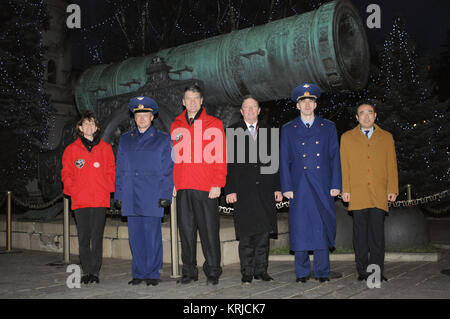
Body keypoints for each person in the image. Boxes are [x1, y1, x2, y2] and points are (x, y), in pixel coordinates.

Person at [280, 83, 341, 283]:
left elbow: (334, 158)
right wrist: (286, 187)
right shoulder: (288, 129)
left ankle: (322, 271)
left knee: (321, 227)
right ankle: (302, 272)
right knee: (300, 227)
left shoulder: (328, 127)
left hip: (322, 185)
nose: (307, 104)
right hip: (299, 186)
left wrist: (336, 184)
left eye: (310, 101)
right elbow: (284, 160)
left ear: (315, 105)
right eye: (303, 101)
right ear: (297, 106)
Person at [170, 84, 227, 285]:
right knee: (186, 231)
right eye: (188, 98)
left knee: (209, 232)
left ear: (201, 101)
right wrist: (174, 183)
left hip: (206, 188)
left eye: (196, 98)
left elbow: (220, 156)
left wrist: (218, 183)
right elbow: (174, 157)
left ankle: (213, 271)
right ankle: (189, 271)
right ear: (183, 102)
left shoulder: (214, 123)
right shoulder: (176, 125)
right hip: (183, 187)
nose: (192, 102)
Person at [114, 96, 173, 286]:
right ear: (134, 116)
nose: (141, 118)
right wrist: (119, 194)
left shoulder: (163, 139)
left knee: (152, 236)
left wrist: (165, 194)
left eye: (145, 114)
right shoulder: (125, 140)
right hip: (131, 194)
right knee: (136, 237)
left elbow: (168, 169)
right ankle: (138, 272)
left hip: (152, 194)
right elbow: (121, 169)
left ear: (152, 116)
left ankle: (153, 273)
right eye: (138, 114)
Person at [225, 95, 283, 284]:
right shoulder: (233, 132)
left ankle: (261, 270)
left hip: (265, 191)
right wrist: (230, 190)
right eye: (246, 108)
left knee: (263, 235)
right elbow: (230, 164)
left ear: (259, 111)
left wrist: (277, 188)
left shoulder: (269, 131)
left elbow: (275, 163)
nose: (250, 111)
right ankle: (247, 271)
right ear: (241, 112)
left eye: (253, 107)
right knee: (246, 235)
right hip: (243, 192)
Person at [340, 102, 398, 282]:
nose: (366, 116)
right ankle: (362, 271)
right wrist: (345, 190)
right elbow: (344, 167)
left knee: (377, 236)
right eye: (362, 113)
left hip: (379, 193)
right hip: (357, 194)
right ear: (357, 118)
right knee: (360, 237)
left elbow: (391, 165)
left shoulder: (386, 137)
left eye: (369, 113)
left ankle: (376, 271)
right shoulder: (347, 137)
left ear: (375, 116)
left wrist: (392, 189)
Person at [61, 111, 115, 285]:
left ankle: (96, 271)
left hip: (99, 200)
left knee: (97, 237)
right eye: (85, 124)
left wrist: (107, 188)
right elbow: (66, 173)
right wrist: (73, 190)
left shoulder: (105, 148)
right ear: (80, 128)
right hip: (81, 200)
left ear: (97, 127)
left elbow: (111, 171)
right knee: (84, 238)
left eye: (92, 124)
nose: (89, 127)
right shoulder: (71, 149)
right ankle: (87, 270)